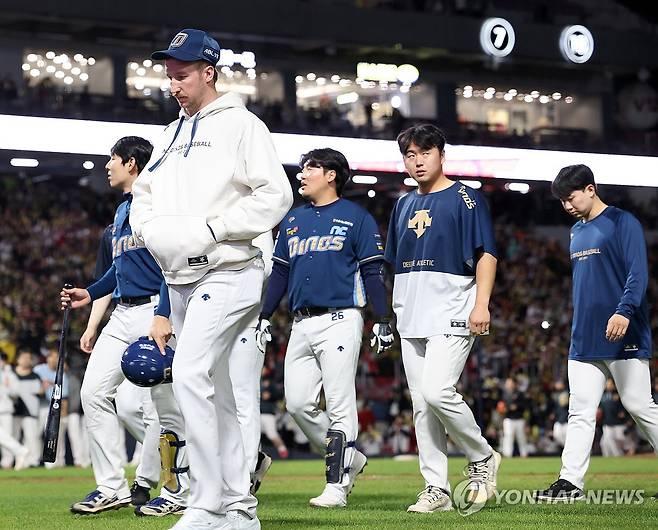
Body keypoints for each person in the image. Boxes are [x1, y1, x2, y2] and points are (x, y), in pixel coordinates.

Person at [130, 28, 293, 530]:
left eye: (181, 75)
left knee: (190, 374)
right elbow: (144, 193)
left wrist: (211, 229)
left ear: (208, 71)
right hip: (179, 277)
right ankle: (239, 509)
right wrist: (151, 231)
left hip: (229, 270)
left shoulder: (241, 125)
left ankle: (204, 504)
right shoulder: (170, 132)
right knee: (218, 394)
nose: (173, 85)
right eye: (169, 76)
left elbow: (276, 195)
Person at [256, 147, 390, 508]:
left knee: (340, 401)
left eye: (309, 168)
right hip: (301, 322)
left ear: (331, 175)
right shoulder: (293, 220)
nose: (301, 174)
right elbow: (281, 272)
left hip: (341, 318)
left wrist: (383, 318)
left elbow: (373, 270)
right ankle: (352, 459)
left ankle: (337, 484)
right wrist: (264, 315)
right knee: (298, 405)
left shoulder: (356, 217)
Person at [384, 123, 500, 513]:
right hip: (410, 312)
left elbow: (485, 253)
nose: (417, 162)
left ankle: (482, 456)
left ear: (441, 154)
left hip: (452, 309)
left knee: (437, 392)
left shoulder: (466, 197)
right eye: (410, 155)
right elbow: (394, 265)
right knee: (421, 405)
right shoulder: (402, 204)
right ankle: (437, 488)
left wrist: (481, 303)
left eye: (424, 153)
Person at [60, 136, 170, 514]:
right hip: (123, 313)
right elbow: (118, 268)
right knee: (92, 393)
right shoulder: (123, 210)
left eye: (113, 159)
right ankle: (112, 486)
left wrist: (165, 313)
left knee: (156, 405)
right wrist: (89, 294)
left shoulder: (158, 204)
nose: (108, 166)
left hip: (155, 310)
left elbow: (172, 265)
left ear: (132, 164)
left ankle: (166, 481)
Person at [537, 164, 658, 501]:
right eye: (561, 201)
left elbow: (638, 273)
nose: (567, 206)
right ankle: (570, 483)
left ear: (590, 188)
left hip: (625, 331)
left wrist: (623, 311)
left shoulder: (623, 222)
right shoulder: (576, 232)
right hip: (584, 338)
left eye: (570, 197)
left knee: (639, 406)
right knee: (580, 410)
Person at [34, 348, 70, 468]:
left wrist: (64, 415)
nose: (54, 360)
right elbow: (34, 389)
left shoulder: (62, 374)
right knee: (35, 434)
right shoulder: (38, 370)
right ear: (47, 358)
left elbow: (64, 396)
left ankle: (55, 462)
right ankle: (34, 460)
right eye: (52, 357)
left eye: (57, 357)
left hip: (55, 409)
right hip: (40, 407)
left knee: (55, 435)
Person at [0, 351, 30, 470]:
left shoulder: (9, 375)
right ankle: (19, 452)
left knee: (7, 436)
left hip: (6, 411)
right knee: (4, 437)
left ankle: (11, 460)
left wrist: (7, 388)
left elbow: (15, 392)